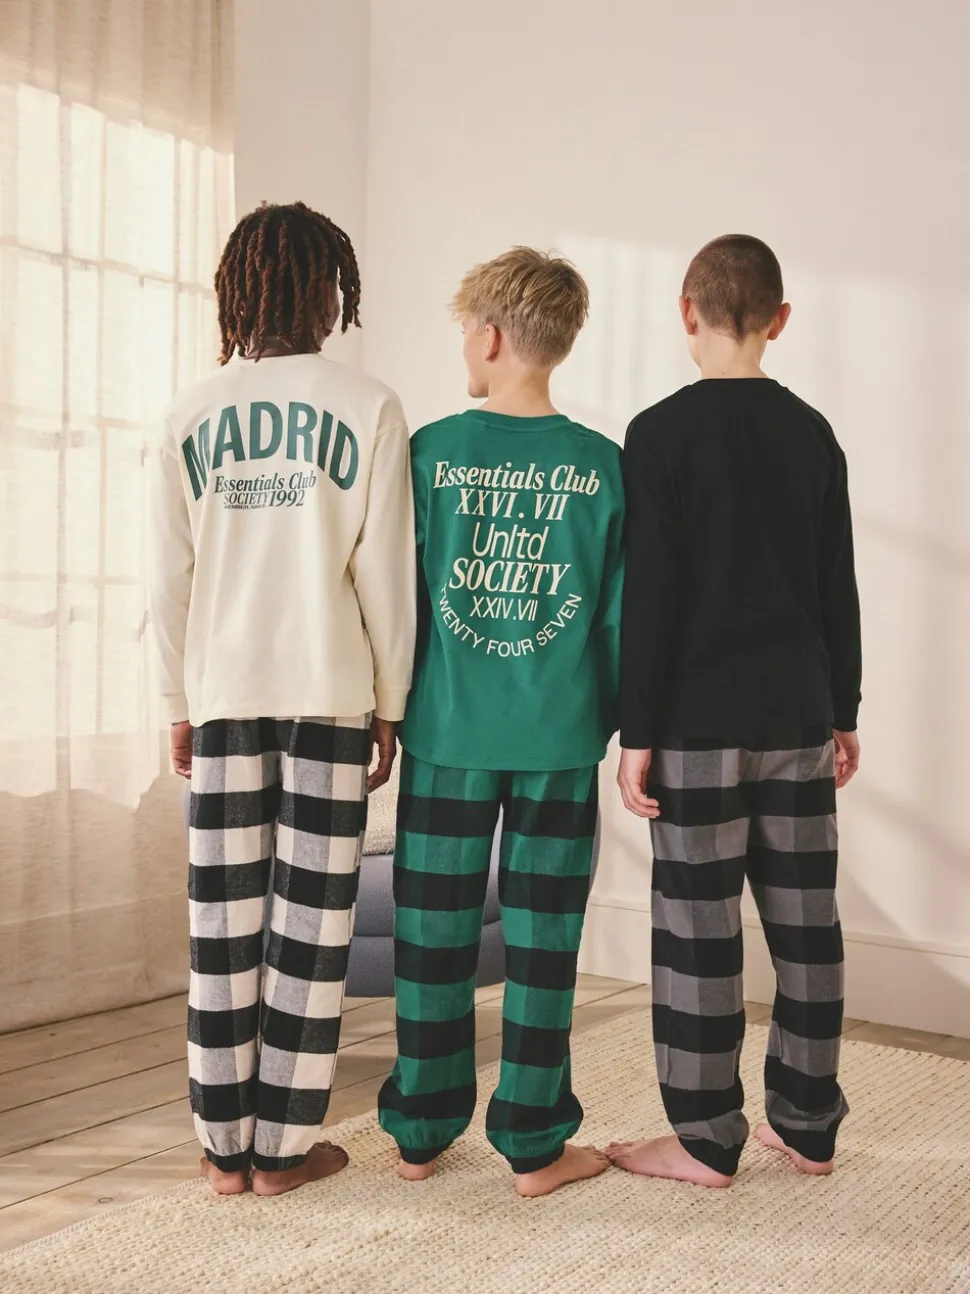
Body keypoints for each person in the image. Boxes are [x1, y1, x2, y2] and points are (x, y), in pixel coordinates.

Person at [147, 201, 415, 1197]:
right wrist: (392, 699)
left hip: (224, 691)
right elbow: (385, 573)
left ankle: (224, 1152)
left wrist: (176, 700)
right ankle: (283, 1152)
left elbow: (167, 579)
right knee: (311, 926)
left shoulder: (186, 413)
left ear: (238, 290)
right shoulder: (369, 405)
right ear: (328, 290)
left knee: (220, 924)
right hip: (329, 692)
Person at [610, 234, 861, 1189]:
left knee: (697, 932)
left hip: (696, 724)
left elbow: (653, 595)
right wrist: (843, 709)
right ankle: (809, 1126)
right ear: (779, 320)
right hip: (797, 715)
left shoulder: (659, 434)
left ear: (687, 311)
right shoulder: (812, 434)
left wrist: (637, 732)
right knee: (807, 928)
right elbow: (837, 586)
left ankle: (706, 1138)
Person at [377, 248, 624, 1198]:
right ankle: (534, 1144)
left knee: (430, 941)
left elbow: (396, 601)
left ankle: (420, 1130)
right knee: (544, 947)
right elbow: (617, 618)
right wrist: (602, 720)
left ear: (487, 336)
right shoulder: (603, 467)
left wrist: (388, 710)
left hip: (446, 733)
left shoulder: (429, 453)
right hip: (559, 737)